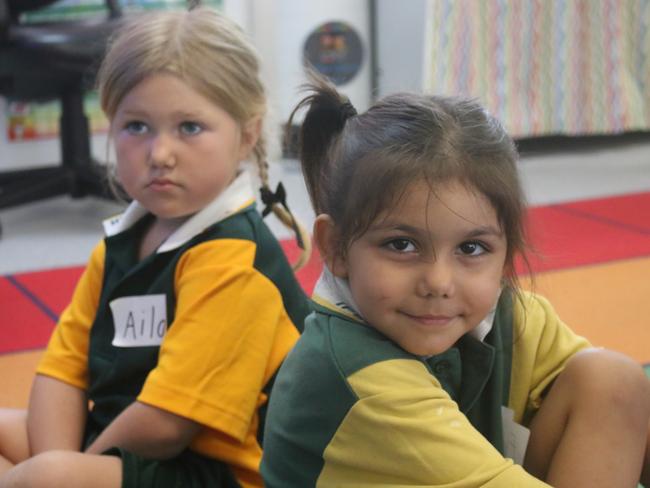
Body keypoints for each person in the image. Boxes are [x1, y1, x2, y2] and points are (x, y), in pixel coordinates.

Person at [260, 74, 650, 487]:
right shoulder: (358, 379)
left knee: (613, 383)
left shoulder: (505, 317)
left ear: (505, 257)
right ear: (336, 247)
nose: (439, 282)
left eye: (471, 249)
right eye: (402, 244)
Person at [0, 7, 312, 488]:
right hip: (124, 445)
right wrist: (60, 466)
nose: (159, 154)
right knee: (40, 467)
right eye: (136, 127)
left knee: (44, 475)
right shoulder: (122, 243)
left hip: (220, 472)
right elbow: (62, 368)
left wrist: (62, 471)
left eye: (189, 127)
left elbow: (165, 425)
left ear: (246, 134)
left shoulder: (234, 262)